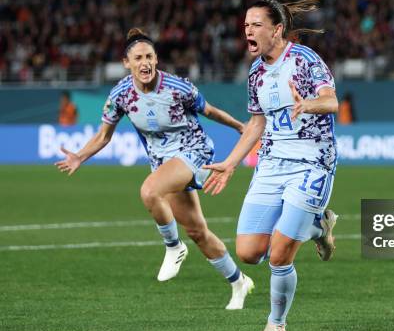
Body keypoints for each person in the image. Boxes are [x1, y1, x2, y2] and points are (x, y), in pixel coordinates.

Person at [55, 28, 254, 310]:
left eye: (149, 56)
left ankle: (173, 248)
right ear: (127, 63)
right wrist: (79, 157)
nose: (145, 62)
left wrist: (238, 126)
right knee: (198, 231)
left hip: (193, 151)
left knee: (149, 190)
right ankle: (238, 282)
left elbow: (208, 110)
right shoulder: (121, 95)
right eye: (138, 58)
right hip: (164, 162)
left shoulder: (178, 87)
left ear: (156, 59)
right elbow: (104, 135)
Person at [202, 0, 340, 331]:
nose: (248, 30)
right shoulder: (255, 73)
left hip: (311, 161)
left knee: (280, 254)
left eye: (256, 24)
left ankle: (276, 324)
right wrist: (231, 162)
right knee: (249, 253)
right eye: (246, 25)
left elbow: (331, 102)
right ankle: (319, 224)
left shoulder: (305, 61)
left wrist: (307, 104)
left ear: (276, 29)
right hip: (272, 164)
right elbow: (257, 123)